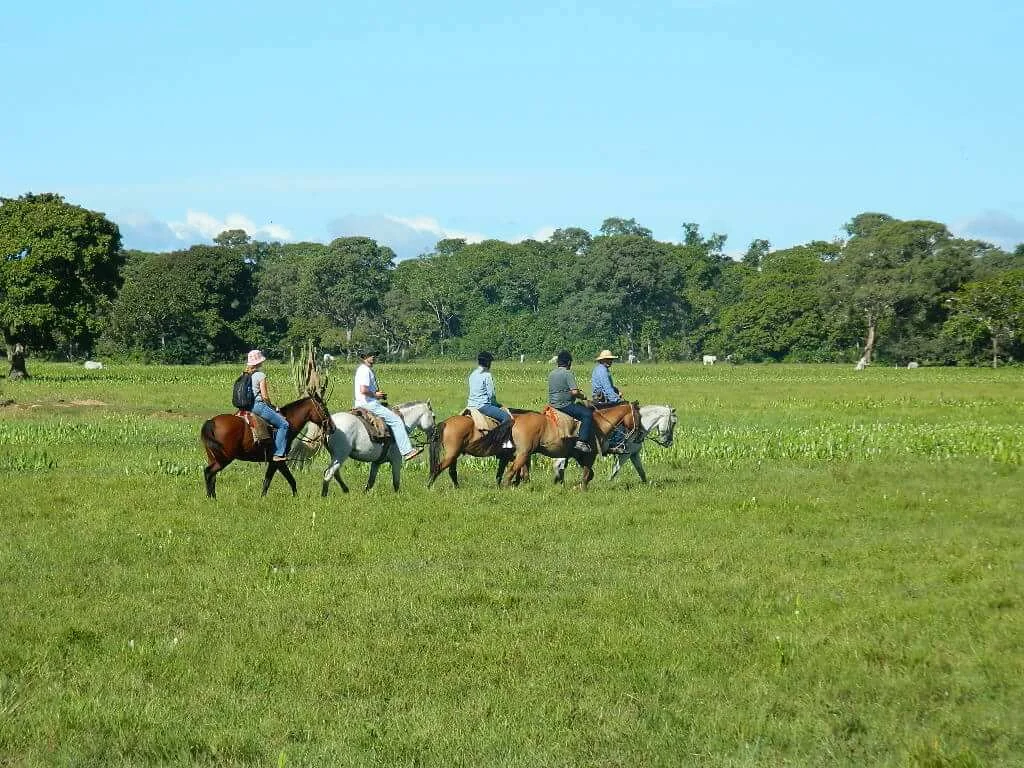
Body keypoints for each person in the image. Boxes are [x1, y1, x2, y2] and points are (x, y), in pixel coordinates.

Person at [353, 350, 422, 461]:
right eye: (371, 355)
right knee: (396, 421)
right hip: (369, 404)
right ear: (364, 357)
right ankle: (407, 451)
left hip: (363, 402)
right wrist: (376, 394)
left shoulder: (363, 369)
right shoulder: (365, 371)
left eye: (374, 355)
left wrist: (378, 396)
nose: (374, 356)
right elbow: (363, 390)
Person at [247, 349, 290, 461]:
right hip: (258, 406)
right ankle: (278, 453)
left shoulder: (246, 374)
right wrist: (272, 406)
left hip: (247, 406)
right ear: (259, 362)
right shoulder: (260, 375)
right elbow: (265, 396)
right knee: (283, 424)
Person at [547, 350, 593, 453]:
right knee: (587, 414)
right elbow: (574, 392)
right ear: (568, 363)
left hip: (552, 404)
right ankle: (582, 441)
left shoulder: (551, 373)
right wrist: (583, 397)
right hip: (564, 405)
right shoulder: (568, 373)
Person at [467, 351, 510, 425]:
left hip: (470, 405)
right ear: (487, 363)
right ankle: (500, 436)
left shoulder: (472, 374)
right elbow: (491, 395)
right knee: (506, 417)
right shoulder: (487, 375)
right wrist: (496, 404)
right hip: (483, 406)